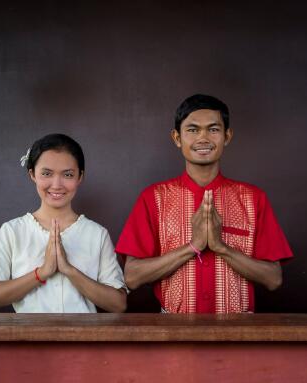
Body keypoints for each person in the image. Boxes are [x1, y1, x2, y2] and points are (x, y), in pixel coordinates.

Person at [116, 94, 293, 313]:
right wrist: (193, 246)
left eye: (213, 129)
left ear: (227, 136)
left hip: (238, 335)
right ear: (177, 137)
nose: (203, 138)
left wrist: (221, 247)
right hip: (174, 335)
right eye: (192, 129)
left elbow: (274, 279)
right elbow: (132, 277)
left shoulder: (253, 198)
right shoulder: (154, 198)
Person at [0, 134, 127, 313]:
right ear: (32, 174)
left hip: (83, 339)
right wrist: (42, 272)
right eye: (47, 173)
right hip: (29, 339)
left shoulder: (97, 234)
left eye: (68, 174)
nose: (56, 185)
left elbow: (118, 304)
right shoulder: (12, 231)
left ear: (80, 177)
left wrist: (69, 270)